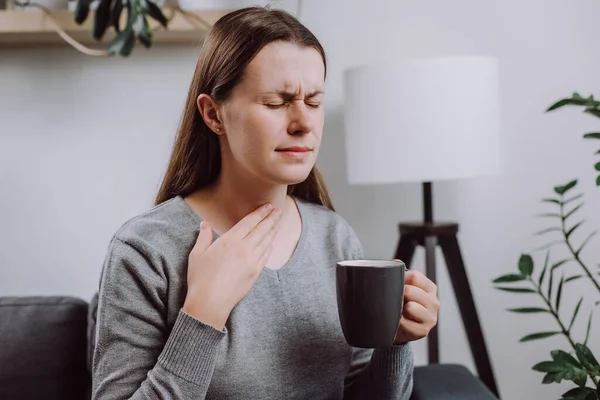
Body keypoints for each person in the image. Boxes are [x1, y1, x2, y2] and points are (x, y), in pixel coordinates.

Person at [91, 6, 440, 400]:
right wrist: (203, 312)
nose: (303, 123)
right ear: (213, 114)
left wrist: (393, 343)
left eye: (314, 101)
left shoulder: (334, 238)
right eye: (276, 102)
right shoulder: (146, 250)